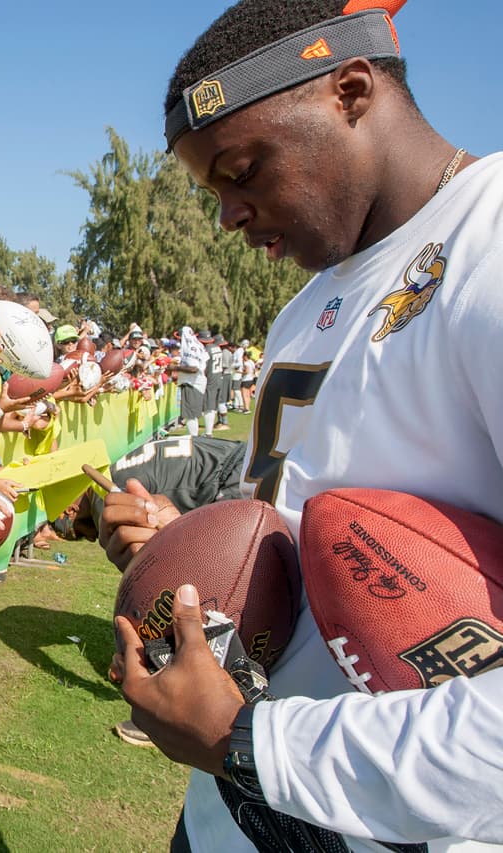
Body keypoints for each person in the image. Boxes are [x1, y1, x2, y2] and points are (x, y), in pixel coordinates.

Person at [107, 1, 503, 849]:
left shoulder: (491, 244)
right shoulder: (303, 308)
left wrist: (252, 741)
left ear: (351, 91)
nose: (228, 217)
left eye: (243, 170)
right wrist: (185, 561)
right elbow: (288, 540)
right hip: (232, 814)